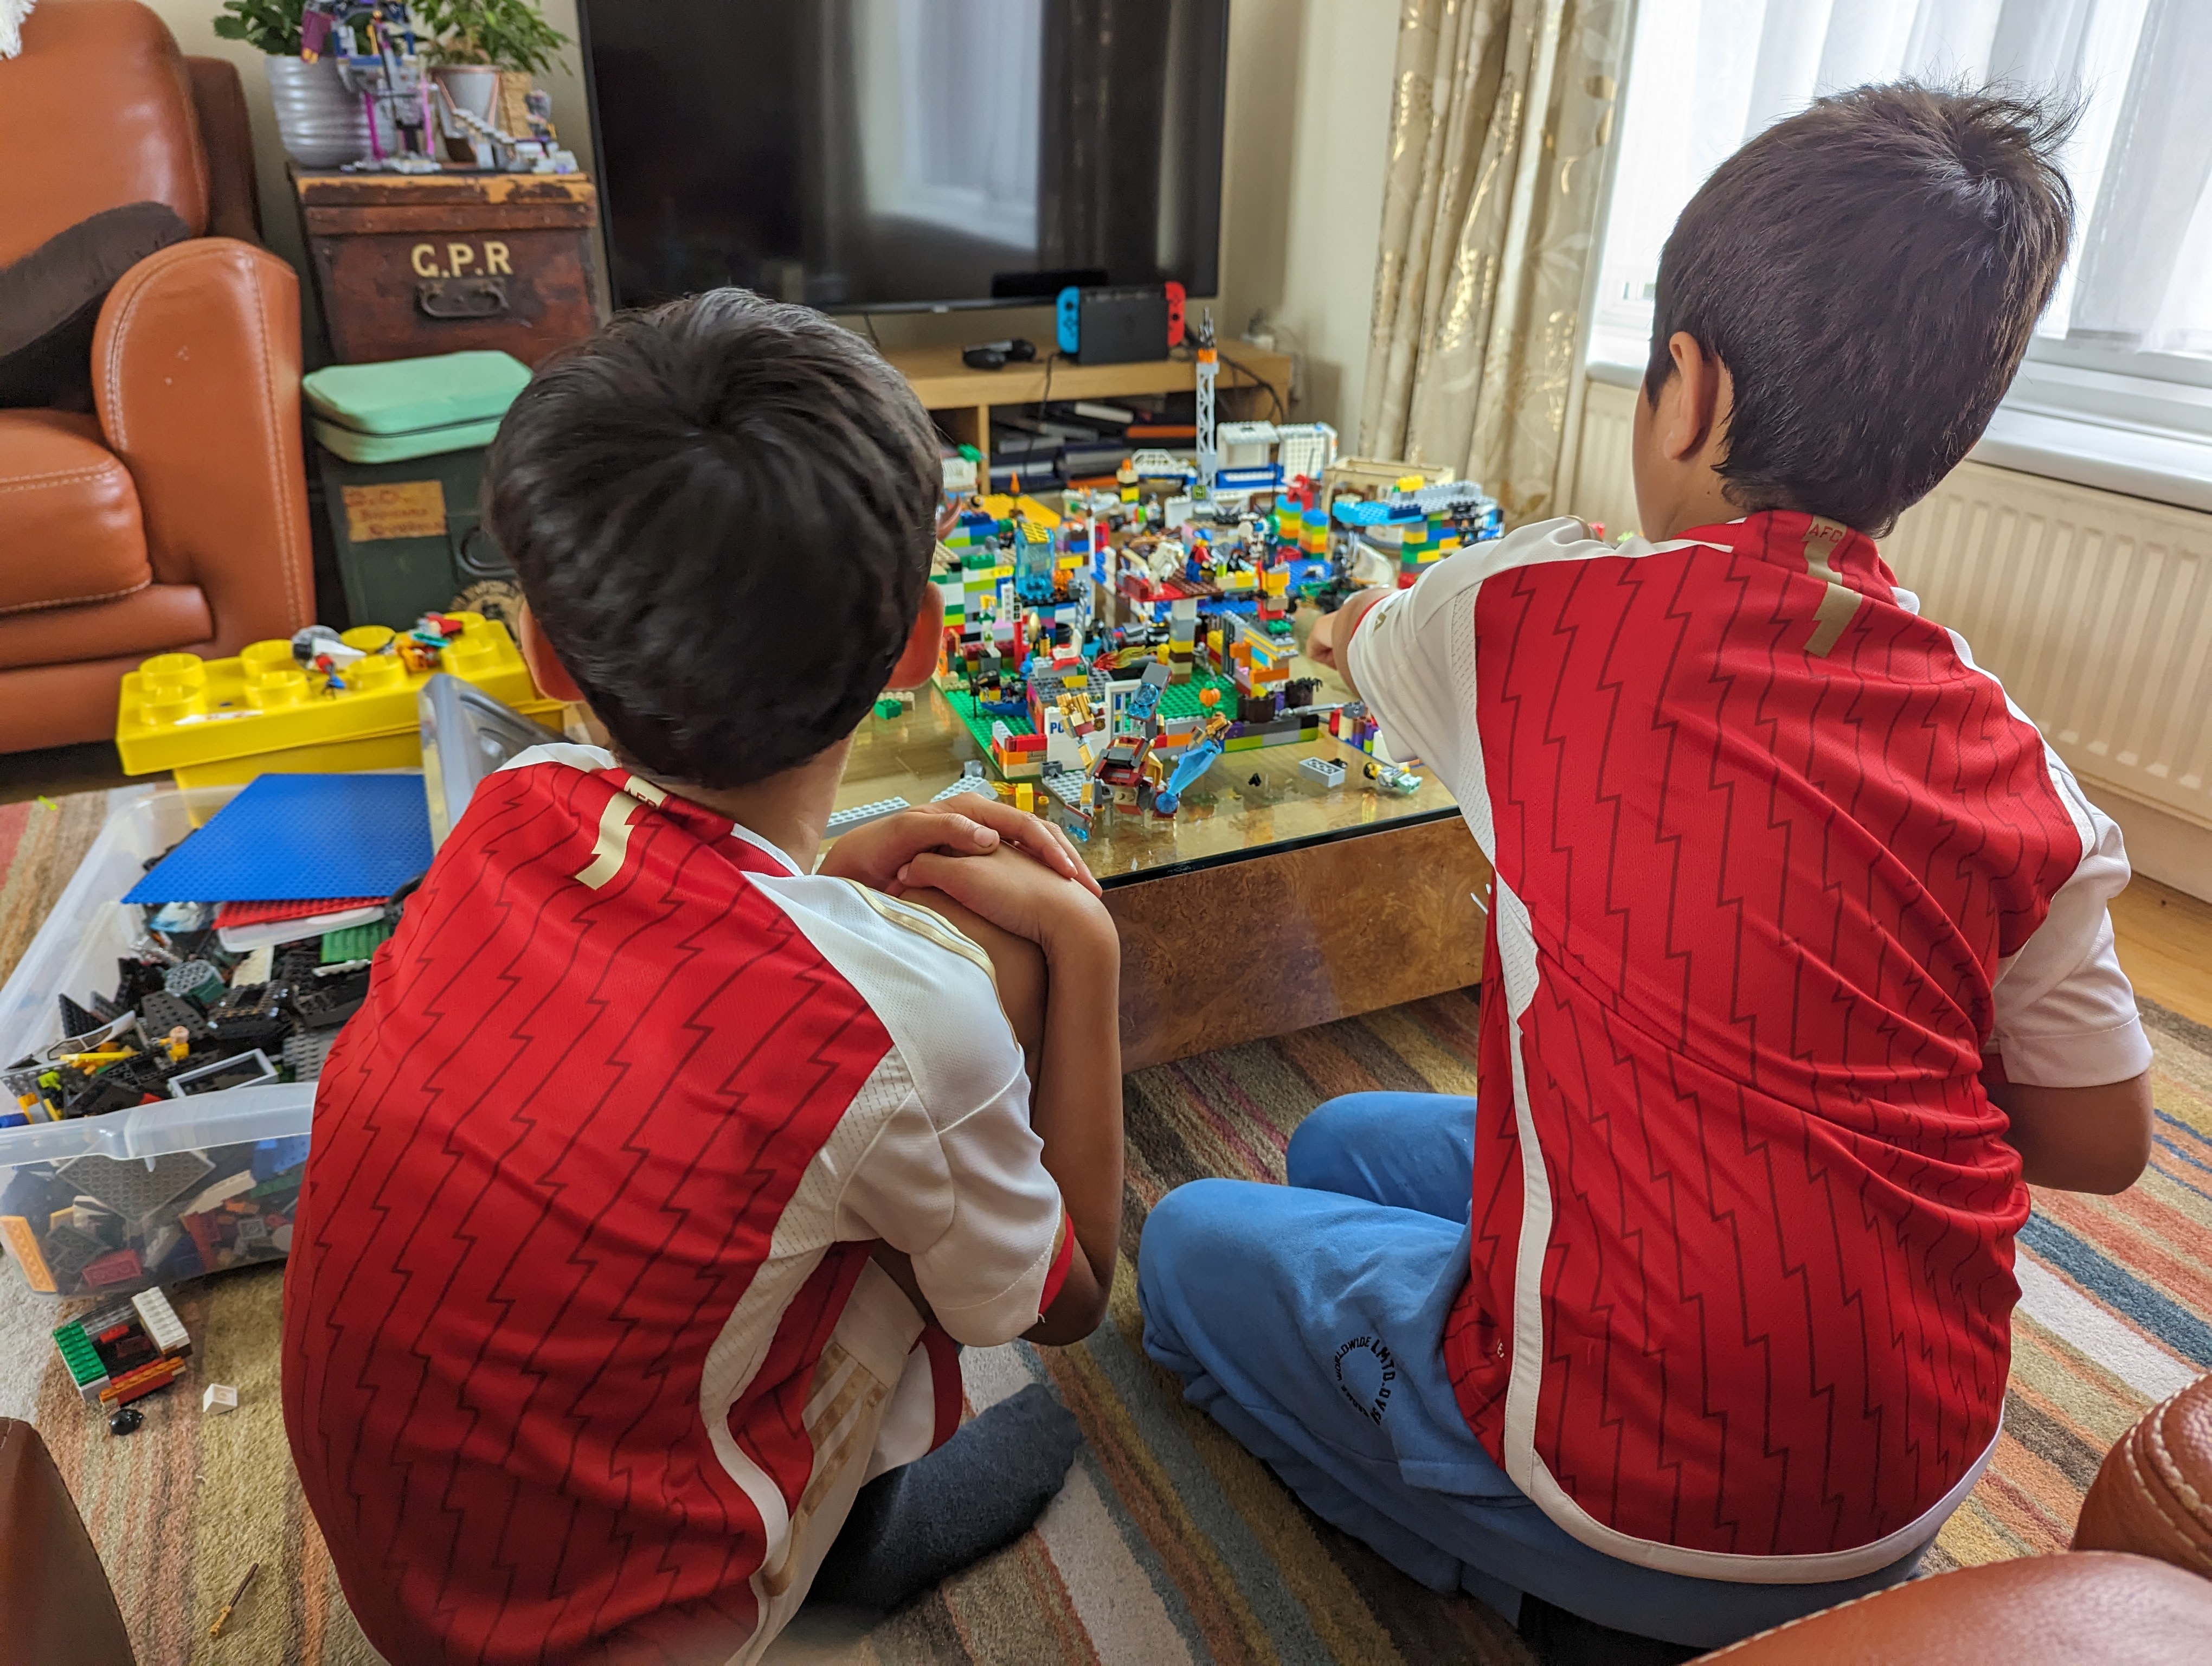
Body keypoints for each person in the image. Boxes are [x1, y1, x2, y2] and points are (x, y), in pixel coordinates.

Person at [1139, 84, 2155, 1662]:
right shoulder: (2017, 760)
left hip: (1627, 1493)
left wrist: (1355, 620)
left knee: (1190, 1244)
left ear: (1685, 391)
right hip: (1919, 1468)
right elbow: (2104, 1139)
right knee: (1344, 1132)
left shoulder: (1517, 620)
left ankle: (1530, 1574)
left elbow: (1358, 641)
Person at [281, 291, 1124, 1666]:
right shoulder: (902, 1026)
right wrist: (1087, 954)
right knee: (966, 1059)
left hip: (409, 1575)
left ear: (549, 657)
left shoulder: (514, 800)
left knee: (851, 1123)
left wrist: (824, 875)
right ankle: (838, 1557)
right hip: (627, 1625)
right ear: (918, 646)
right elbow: (1079, 1302)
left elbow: (670, 957)